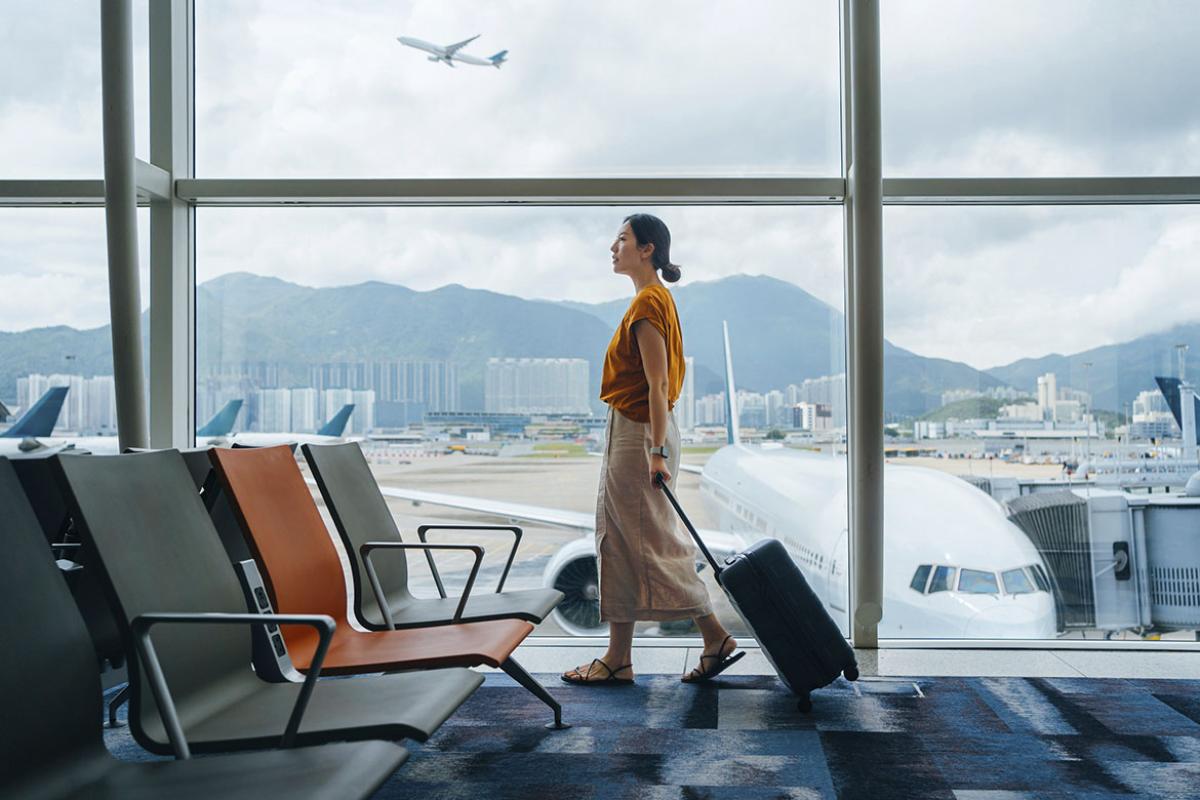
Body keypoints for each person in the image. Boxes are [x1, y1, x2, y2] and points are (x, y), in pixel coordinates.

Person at [562, 213, 742, 686]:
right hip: (638, 430)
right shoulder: (654, 300)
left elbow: (658, 384)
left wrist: (656, 451)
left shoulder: (647, 304)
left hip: (641, 432)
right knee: (620, 540)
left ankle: (712, 635)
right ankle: (620, 655)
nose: (612, 247)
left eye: (621, 239)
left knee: (651, 540)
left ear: (647, 249)